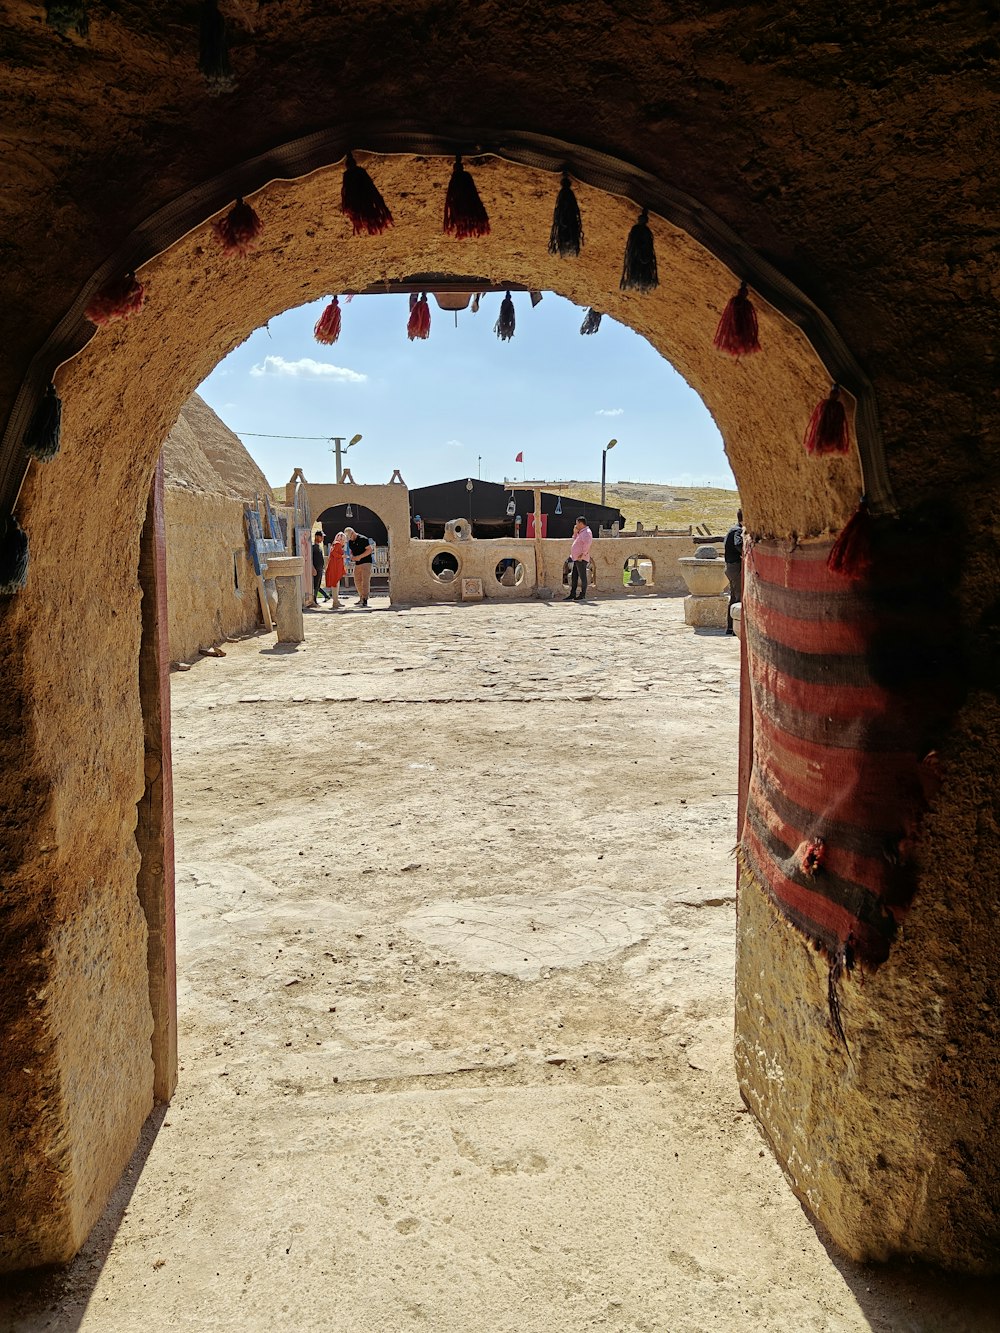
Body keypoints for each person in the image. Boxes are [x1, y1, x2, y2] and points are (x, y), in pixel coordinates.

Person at [563, 516, 594, 600]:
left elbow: (587, 544)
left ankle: (582, 594)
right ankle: (573, 594)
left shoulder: (587, 532)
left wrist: (582, 555)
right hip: (576, 558)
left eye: (577, 523)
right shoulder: (581, 532)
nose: (576, 525)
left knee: (582, 576)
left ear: (580, 523)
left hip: (581, 558)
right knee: (574, 576)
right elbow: (575, 539)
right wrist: (575, 532)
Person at [724, 508, 744, 634]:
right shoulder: (738, 531)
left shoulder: (732, 529)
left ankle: (731, 627)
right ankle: (735, 628)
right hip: (735, 567)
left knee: (734, 596)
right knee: (738, 596)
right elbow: (739, 545)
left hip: (731, 567)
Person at [344, 526, 374, 607]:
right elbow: (351, 551)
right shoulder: (350, 542)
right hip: (357, 563)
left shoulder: (363, 539)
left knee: (365, 581)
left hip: (366, 562)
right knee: (357, 581)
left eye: (350, 537)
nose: (350, 539)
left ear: (353, 533)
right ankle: (361, 597)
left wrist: (360, 556)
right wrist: (351, 557)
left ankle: (365, 599)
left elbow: (369, 550)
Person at [324, 530, 347, 609]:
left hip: (335, 567)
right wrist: (342, 556)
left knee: (336, 584)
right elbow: (334, 553)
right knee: (335, 584)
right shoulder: (337, 544)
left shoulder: (335, 544)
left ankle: (336, 601)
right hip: (335, 567)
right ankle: (335, 602)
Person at [311, 530, 330, 604]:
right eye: (321, 537)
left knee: (317, 585)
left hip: (320, 569)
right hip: (315, 569)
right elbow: (310, 559)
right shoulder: (313, 547)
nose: (322, 539)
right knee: (315, 585)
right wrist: (312, 568)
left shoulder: (318, 547)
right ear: (316, 537)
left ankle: (325, 596)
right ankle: (314, 600)